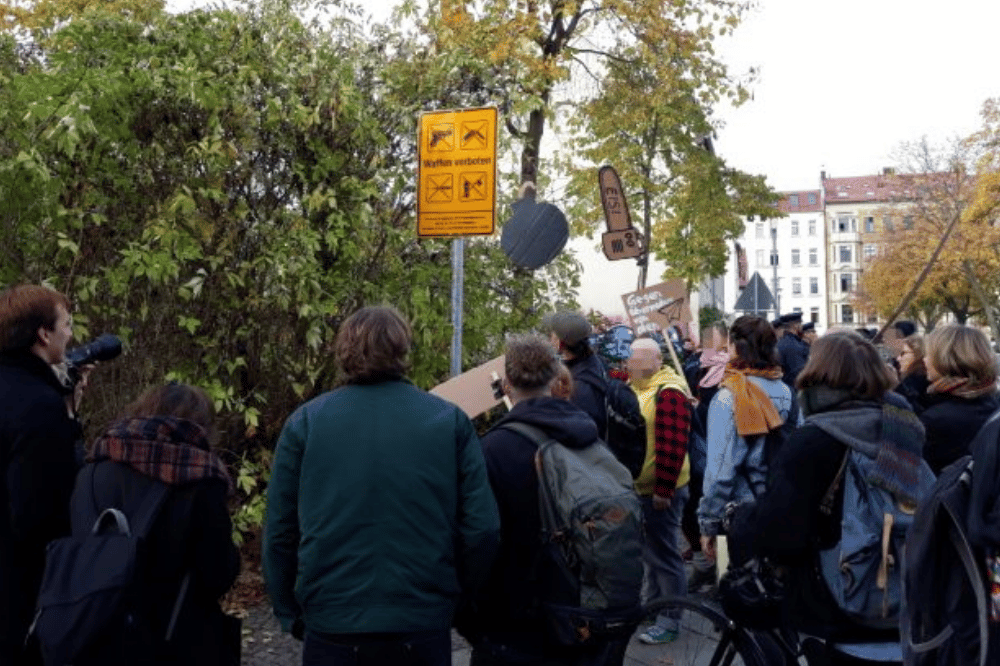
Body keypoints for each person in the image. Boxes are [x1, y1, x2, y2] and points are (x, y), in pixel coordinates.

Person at [264, 305, 500, 666]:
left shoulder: (306, 423)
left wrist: (288, 609)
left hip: (333, 620)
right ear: (402, 350)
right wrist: (459, 599)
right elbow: (482, 529)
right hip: (421, 618)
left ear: (344, 351)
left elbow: (280, 530)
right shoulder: (446, 420)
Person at [732, 330, 927, 665]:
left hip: (839, 608)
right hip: (909, 595)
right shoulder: (904, 426)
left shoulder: (814, 439)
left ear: (817, 373)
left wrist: (740, 521)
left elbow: (781, 533)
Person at [469, 334, 635, 666]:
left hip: (519, 627)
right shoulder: (588, 436)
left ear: (507, 383)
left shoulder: (494, 450)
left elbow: (482, 537)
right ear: (554, 377)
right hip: (585, 613)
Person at [69, 383, 241, 665]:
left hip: (97, 636)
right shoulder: (200, 478)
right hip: (178, 640)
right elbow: (219, 573)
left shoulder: (90, 473)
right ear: (202, 427)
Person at [0, 285, 85, 665]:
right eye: (65, 324)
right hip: (18, 591)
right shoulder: (38, 404)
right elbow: (43, 514)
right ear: (43, 334)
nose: (71, 334)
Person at [698, 315, 796, 557]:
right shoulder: (787, 391)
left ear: (735, 347)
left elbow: (720, 471)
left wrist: (709, 521)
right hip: (780, 505)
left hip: (741, 512)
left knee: (742, 587)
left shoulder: (728, 396)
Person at [627, 337, 693, 645]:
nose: (633, 365)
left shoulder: (668, 392)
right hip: (644, 487)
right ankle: (653, 607)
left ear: (656, 361)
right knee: (653, 553)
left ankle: (670, 620)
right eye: (631, 359)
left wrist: (663, 490)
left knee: (666, 556)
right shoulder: (639, 387)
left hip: (661, 490)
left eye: (640, 360)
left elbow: (673, 445)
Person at [919, 324, 1000, 475]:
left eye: (929, 354)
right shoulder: (993, 403)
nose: (924, 360)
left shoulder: (936, 420)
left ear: (947, 359)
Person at [544, 311, 607, 434]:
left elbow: (584, 432)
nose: (549, 337)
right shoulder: (595, 361)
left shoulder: (579, 387)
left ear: (560, 343)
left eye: (552, 334)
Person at [894, 334, 929, 414]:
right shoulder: (925, 380)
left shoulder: (912, 384)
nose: (898, 359)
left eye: (903, 353)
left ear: (918, 354)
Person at [775, 312, 810, 387]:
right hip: (794, 390)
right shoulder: (796, 345)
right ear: (795, 326)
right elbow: (798, 372)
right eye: (800, 324)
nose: (801, 327)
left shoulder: (780, 343)